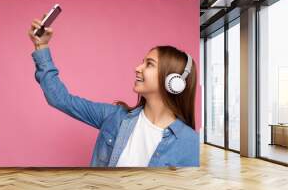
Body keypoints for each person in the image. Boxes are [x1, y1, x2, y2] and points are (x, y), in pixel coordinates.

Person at [28, 15, 199, 167]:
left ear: (173, 82)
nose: (137, 68)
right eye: (142, 62)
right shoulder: (114, 117)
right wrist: (41, 46)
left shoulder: (190, 142)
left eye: (149, 64)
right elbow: (60, 99)